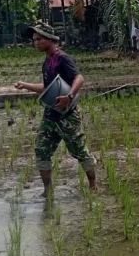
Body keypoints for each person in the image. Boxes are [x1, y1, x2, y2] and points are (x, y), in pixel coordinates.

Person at [14, 21, 96, 196]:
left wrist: (69, 96)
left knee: (79, 150)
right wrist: (25, 85)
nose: (35, 43)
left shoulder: (62, 58)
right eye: (34, 40)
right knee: (41, 150)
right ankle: (48, 190)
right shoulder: (47, 62)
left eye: (39, 39)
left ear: (50, 39)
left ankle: (93, 185)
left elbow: (79, 78)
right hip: (50, 115)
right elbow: (47, 88)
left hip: (67, 116)